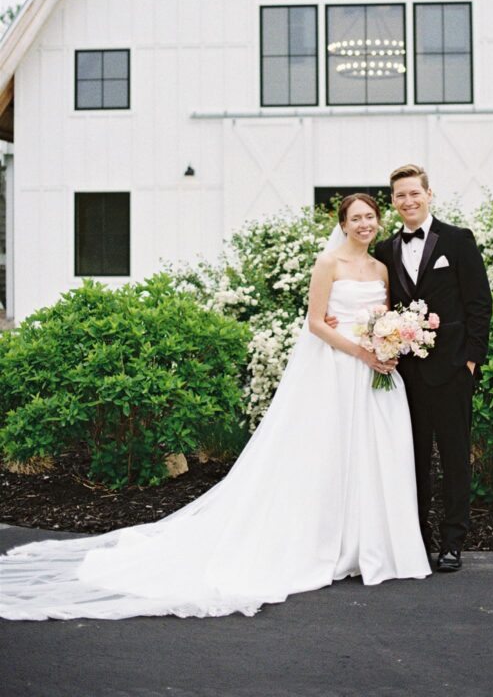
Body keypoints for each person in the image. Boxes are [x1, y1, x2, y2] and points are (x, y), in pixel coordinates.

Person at [0, 194, 429, 620]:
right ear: (343, 223)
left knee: (371, 456)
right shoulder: (328, 263)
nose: (364, 224)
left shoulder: (380, 268)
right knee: (325, 455)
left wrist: (388, 342)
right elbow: (316, 322)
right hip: (337, 369)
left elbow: (384, 315)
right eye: (356, 218)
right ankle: (324, 544)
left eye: (370, 217)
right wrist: (361, 351)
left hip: (374, 373)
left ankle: (366, 544)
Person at [375, 165, 493, 571]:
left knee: (456, 458)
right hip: (405, 376)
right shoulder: (385, 250)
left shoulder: (458, 240)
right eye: (399, 196)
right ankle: (418, 540)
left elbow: (479, 303)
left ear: (429, 194)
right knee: (413, 460)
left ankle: (453, 541)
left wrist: (472, 362)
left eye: (414, 193)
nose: (407, 201)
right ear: (392, 201)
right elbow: (380, 304)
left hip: (453, 369)